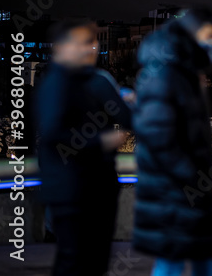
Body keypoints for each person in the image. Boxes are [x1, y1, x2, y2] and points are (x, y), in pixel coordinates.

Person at [132, 8, 212, 276]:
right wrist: (194, 176)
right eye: (210, 35)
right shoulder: (165, 74)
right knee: (173, 262)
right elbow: (158, 136)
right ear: (189, 35)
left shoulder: (184, 73)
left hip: (187, 189)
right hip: (174, 190)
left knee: (198, 259)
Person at [36, 18, 132, 275]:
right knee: (77, 259)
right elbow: (54, 134)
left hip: (96, 184)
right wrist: (100, 141)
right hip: (71, 187)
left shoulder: (98, 80)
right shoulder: (57, 84)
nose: (88, 49)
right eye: (79, 43)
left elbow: (126, 117)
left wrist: (124, 97)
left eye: (91, 42)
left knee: (93, 258)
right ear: (60, 48)